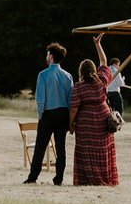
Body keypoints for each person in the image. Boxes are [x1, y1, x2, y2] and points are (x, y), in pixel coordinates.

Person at [69, 38, 119, 187]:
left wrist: (70, 125)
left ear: (81, 72)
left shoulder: (78, 87)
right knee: (103, 149)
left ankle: (87, 179)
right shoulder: (102, 80)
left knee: (86, 149)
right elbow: (103, 62)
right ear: (93, 70)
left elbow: (73, 108)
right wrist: (98, 44)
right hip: (103, 119)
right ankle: (105, 177)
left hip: (85, 122)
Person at [23, 42, 73, 185]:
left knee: (40, 147)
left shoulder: (43, 75)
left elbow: (40, 100)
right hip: (63, 114)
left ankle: (33, 177)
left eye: (47, 54)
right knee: (61, 148)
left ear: (50, 56)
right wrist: (70, 120)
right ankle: (59, 179)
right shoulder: (68, 76)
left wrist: (40, 117)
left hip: (48, 114)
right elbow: (71, 100)